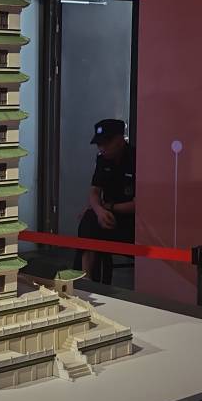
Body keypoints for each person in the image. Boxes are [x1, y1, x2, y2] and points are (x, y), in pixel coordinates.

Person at [76, 118, 136, 283]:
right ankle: (86, 279)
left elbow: (141, 205)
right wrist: (99, 210)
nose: (102, 148)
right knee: (89, 220)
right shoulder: (102, 159)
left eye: (106, 143)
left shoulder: (136, 158)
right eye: (99, 144)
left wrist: (108, 207)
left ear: (120, 140)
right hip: (109, 216)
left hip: (133, 222)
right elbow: (94, 191)